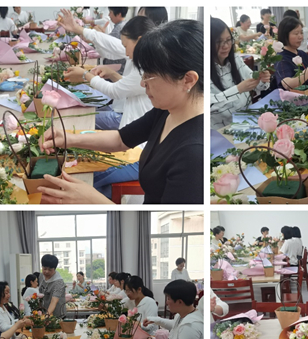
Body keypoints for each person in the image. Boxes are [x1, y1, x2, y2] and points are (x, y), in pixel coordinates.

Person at [41, 15, 204, 205]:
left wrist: (92, 199)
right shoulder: (168, 110)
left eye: (150, 76)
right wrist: (69, 138)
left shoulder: (193, 154)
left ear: (188, 80)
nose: (142, 83)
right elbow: (121, 139)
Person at [64, 16, 155, 132]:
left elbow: (115, 91)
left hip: (128, 121)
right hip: (124, 113)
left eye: (126, 47)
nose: (126, 53)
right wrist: (112, 74)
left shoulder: (146, 67)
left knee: (81, 119)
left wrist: (85, 75)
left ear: (139, 40)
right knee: (84, 111)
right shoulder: (144, 56)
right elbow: (111, 44)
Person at [211, 17, 270, 129]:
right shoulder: (202, 70)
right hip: (222, 129)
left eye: (228, 40)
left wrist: (262, 80)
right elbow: (208, 104)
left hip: (247, 121)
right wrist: (238, 89)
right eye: (218, 42)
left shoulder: (235, 59)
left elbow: (256, 84)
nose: (226, 46)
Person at [101, 7, 129, 72]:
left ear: (119, 14)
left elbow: (106, 43)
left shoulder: (120, 28)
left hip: (115, 69)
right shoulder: (124, 24)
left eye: (110, 12)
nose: (109, 15)